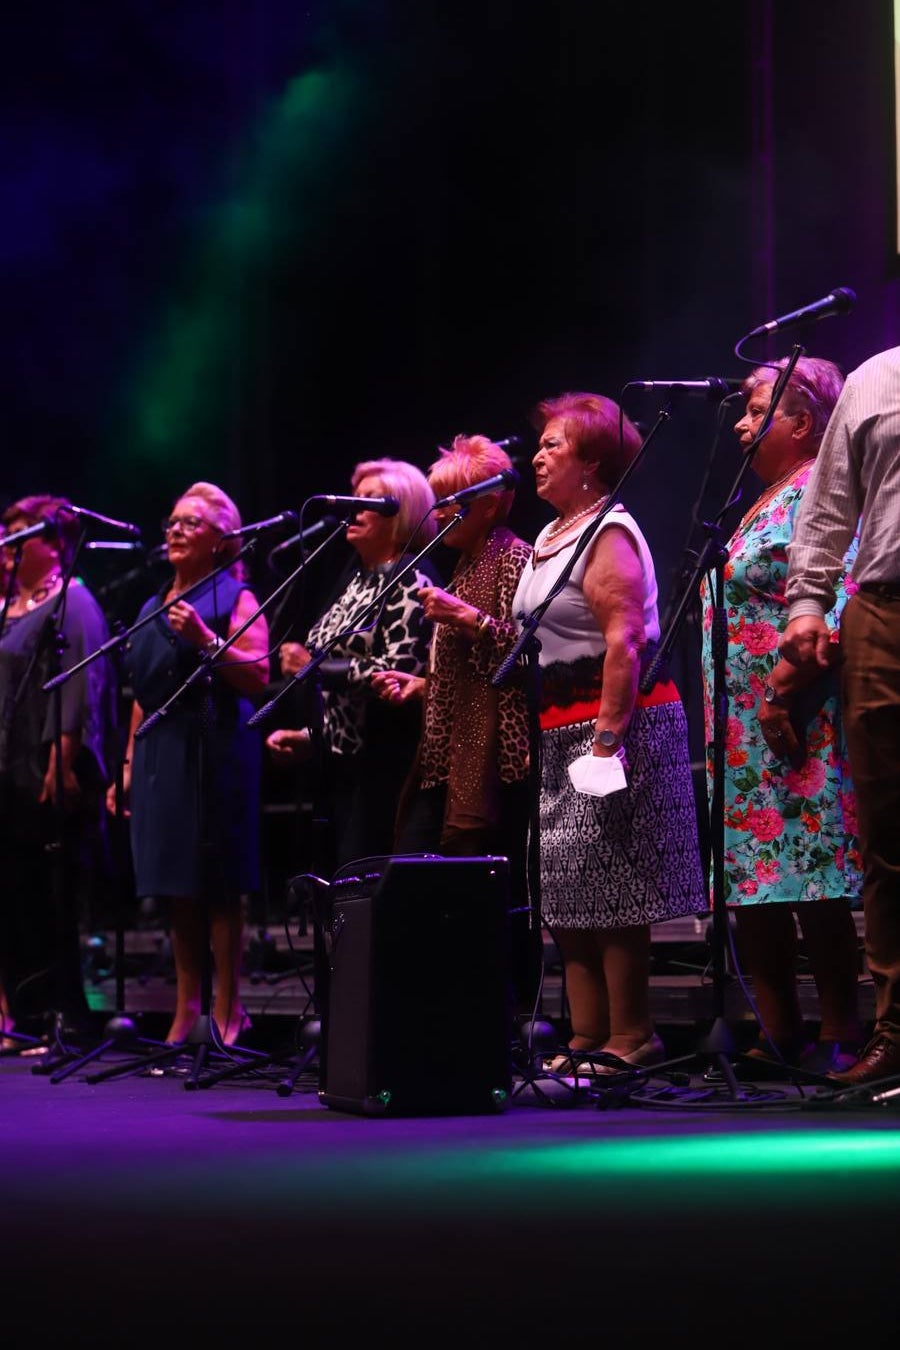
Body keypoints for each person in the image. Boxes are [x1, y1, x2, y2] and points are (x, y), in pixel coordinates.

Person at [513, 392, 705, 1074]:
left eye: (554, 445)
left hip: (615, 724)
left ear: (592, 462)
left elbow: (625, 642)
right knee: (567, 889)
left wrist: (606, 740)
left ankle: (633, 1036)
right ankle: (587, 1036)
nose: (537, 455)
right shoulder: (549, 536)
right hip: (559, 725)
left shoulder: (610, 533)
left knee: (617, 887)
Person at [699, 356, 863, 1075]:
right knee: (749, 884)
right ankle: (779, 1032)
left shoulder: (819, 496)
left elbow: (841, 601)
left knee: (813, 880)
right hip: (739, 733)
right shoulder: (761, 501)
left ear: (803, 422)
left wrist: (779, 695)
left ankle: (841, 1031)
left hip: (799, 716)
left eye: (757, 406)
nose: (740, 421)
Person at [370, 436, 539, 1003]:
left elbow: (528, 656)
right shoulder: (464, 564)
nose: (438, 514)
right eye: (436, 503)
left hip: (493, 758)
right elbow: (464, 672)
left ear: (489, 503)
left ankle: (505, 1021)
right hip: (445, 755)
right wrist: (423, 685)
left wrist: (470, 620)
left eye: (449, 502)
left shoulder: (514, 557)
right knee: (418, 877)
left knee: (489, 895)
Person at [781, 345, 900, 1087]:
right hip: (886, 611)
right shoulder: (875, 378)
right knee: (889, 837)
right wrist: (806, 601)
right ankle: (897, 1030)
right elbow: (828, 504)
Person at [115, 481, 269, 1046]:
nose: (176, 531)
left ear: (222, 540)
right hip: (160, 749)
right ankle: (186, 1007)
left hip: (215, 745)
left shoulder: (236, 597)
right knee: (175, 883)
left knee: (219, 882)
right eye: (172, 522)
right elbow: (141, 693)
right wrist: (129, 762)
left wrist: (206, 639)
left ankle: (229, 1008)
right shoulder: (150, 604)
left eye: (191, 523)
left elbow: (257, 674)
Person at [266, 458, 438, 869]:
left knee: (366, 887)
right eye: (353, 501)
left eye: (368, 503)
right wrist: (313, 738)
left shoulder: (412, 579)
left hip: (385, 768)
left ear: (401, 513)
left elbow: (397, 673)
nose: (353, 511)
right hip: (343, 767)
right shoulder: (358, 579)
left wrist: (314, 668)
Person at [0, 495, 116, 1049]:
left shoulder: (72, 600)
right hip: (7, 770)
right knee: (15, 894)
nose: (10, 543)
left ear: (54, 544)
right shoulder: (9, 607)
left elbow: (81, 683)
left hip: (43, 766)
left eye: (23, 533)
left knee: (54, 895)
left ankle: (66, 1015)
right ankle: (24, 1015)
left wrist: (62, 756)